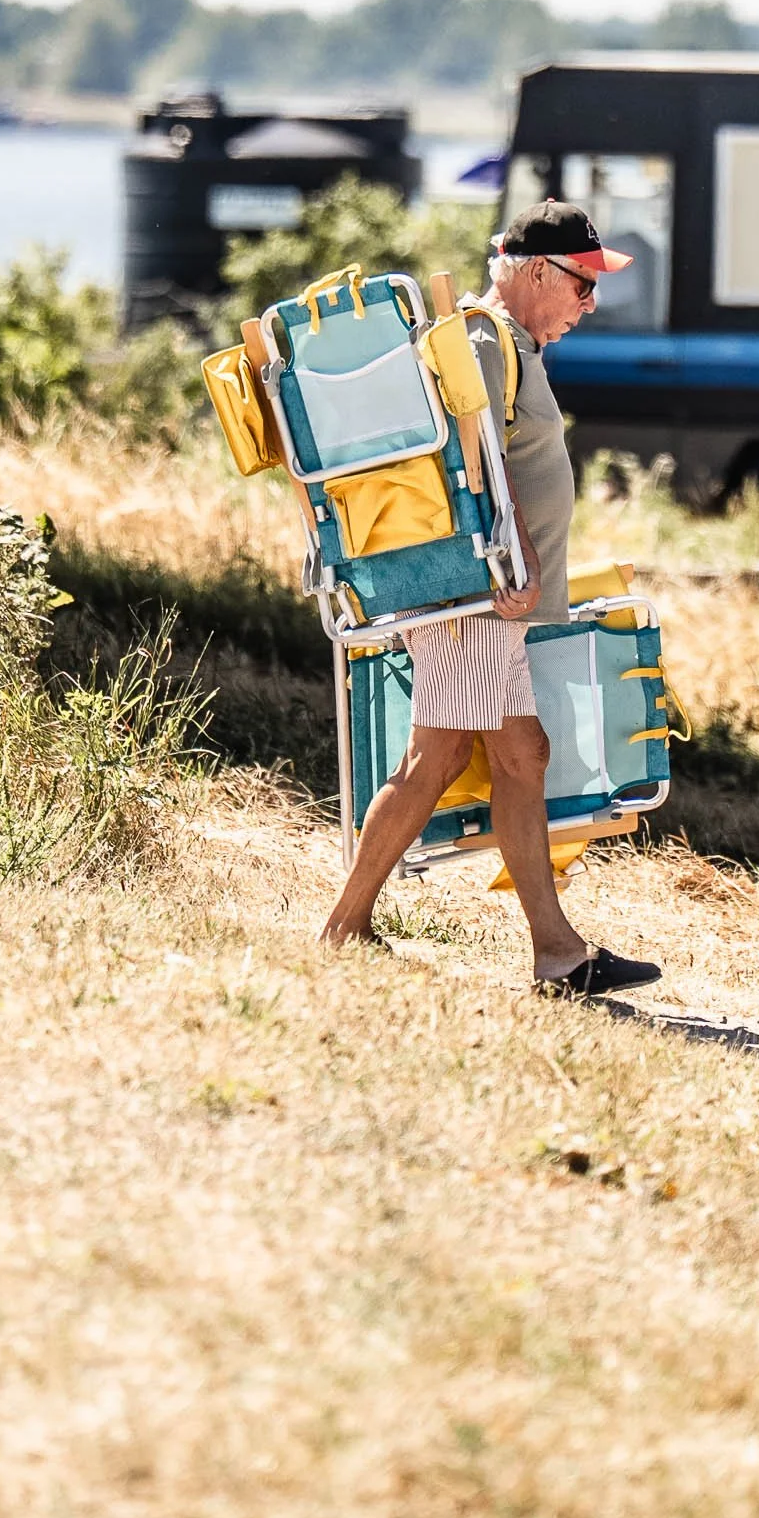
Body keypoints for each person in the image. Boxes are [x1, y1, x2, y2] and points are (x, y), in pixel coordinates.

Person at [321, 199, 662, 996]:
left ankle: (556, 952)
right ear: (537, 269)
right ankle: (342, 926)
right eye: (582, 285)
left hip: (492, 594)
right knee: (434, 756)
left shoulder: (508, 344)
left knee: (521, 754)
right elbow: (472, 463)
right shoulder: (480, 337)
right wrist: (515, 562)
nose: (590, 304)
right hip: (480, 591)